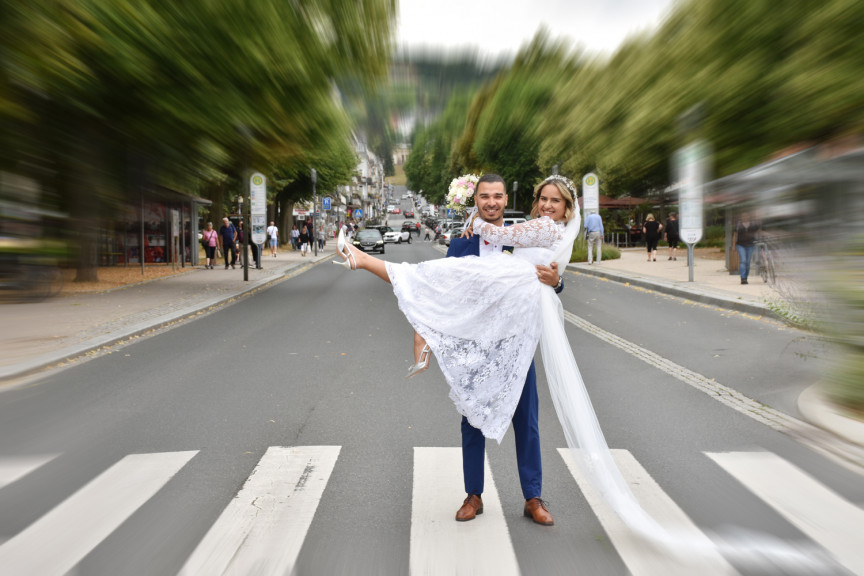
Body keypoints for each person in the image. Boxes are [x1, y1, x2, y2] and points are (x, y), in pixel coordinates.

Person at [335, 173, 572, 525]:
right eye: (484, 196)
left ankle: (533, 498)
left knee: (528, 421)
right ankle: (473, 495)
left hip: (515, 343)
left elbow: (548, 273)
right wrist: (424, 335)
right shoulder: (461, 244)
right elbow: (441, 294)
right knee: (471, 421)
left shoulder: (521, 238)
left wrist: (558, 282)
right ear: (475, 200)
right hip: (474, 346)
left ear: (506, 200)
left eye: (497, 196)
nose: (491, 202)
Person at [732, 212, 761, 285]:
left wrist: (759, 239)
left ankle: (746, 277)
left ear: (749, 217)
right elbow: (735, 235)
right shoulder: (738, 225)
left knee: (747, 262)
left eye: (746, 216)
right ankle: (743, 278)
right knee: (743, 261)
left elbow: (758, 232)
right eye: (743, 216)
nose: (745, 217)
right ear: (741, 217)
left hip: (750, 245)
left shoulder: (753, 224)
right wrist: (734, 246)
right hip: (740, 245)